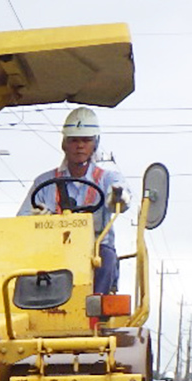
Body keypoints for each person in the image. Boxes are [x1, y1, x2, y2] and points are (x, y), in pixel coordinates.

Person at [23, 106, 128, 293]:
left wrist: (117, 198)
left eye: (86, 140)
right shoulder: (44, 182)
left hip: (94, 252)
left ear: (95, 144)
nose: (80, 145)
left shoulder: (107, 179)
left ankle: (96, 306)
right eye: (74, 140)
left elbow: (121, 195)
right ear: (64, 144)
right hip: (52, 251)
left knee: (107, 257)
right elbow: (21, 220)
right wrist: (38, 218)